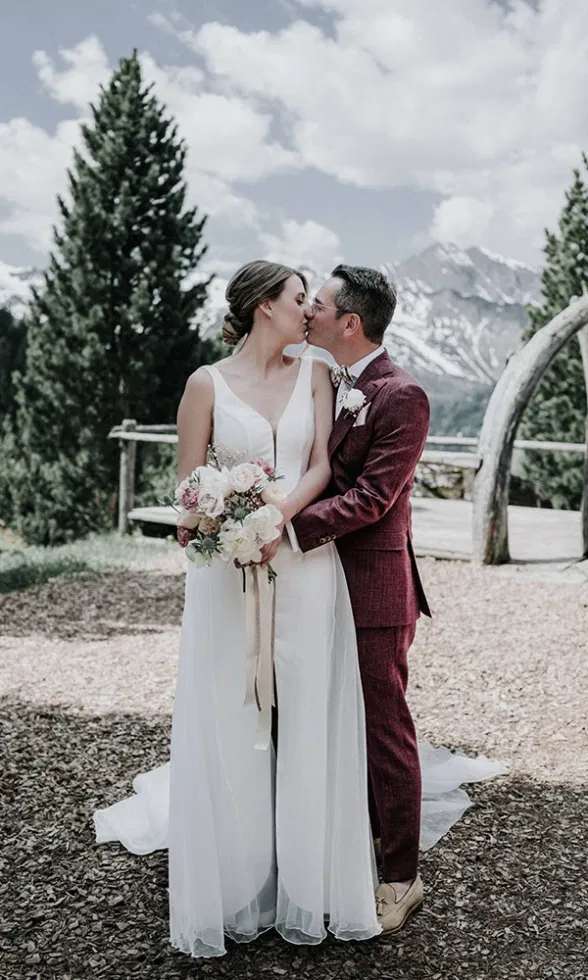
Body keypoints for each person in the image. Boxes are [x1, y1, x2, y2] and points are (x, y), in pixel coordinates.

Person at [95, 260, 382, 957]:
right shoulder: (205, 385)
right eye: (295, 298)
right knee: (231, 717)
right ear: (262, 307)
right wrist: (223, 523)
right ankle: (235, 885)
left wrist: (276, 517)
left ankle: (310, 887)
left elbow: (319, 463)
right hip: (227, 576)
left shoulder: (316, 372)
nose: (307, 311)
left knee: (309, 714)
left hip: (304, 564)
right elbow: (188, 489)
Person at [289, 264, 431, 933]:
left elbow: (374, 499)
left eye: (316, 304)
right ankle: (349, 838)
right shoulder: (325, 382)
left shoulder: (403, 395)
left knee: (384, 732)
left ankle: (401, 875)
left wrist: (284, 529)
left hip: (374, 590)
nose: (307, 313)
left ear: (350, 321)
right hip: (316, 584)